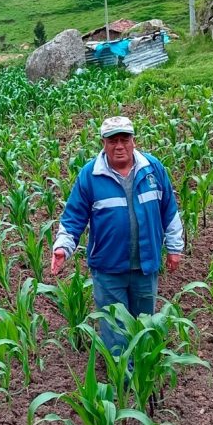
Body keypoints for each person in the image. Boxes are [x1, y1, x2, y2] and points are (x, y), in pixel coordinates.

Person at [51, 115, 183, 354]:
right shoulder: (90, 175)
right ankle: (123, 382)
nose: (119, 146)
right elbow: (73, 217)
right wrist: (63, 246)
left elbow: (169, 210)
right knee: (115, 330)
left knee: (144, 325)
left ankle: (142, 379)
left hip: (145, 266)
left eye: (124, 139)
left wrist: (174, 248)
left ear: (134, 141)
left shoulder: (153, 169)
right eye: (113, 141)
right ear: (104, 143)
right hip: (108, 269)